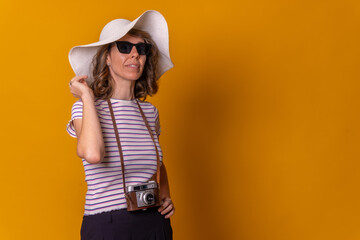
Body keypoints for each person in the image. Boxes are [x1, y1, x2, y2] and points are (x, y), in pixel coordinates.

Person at [66, 10, 174, 240]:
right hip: (108, 224)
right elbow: (93, 154)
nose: (135, 55)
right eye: (125, 47)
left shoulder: (149, 112)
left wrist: (165, 197)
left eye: (142, 49)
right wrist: (86, 95)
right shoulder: (86, 108)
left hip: (154, 222)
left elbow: (157, 162)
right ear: (106, 57)